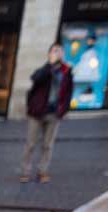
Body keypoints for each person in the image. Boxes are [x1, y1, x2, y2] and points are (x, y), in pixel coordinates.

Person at [20, 43, 73, 184]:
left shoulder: (66, 72)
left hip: (54, 113)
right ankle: (25, 171)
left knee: (47, 145)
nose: (57, 53)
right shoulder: (44, 69)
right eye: (55, 51)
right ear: (49, 54)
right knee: (30, 143)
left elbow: (68, 93)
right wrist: (49, 65)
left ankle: (42, 171)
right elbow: (35, 78)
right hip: (37, 112)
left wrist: (63, 110)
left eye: (60, 51)